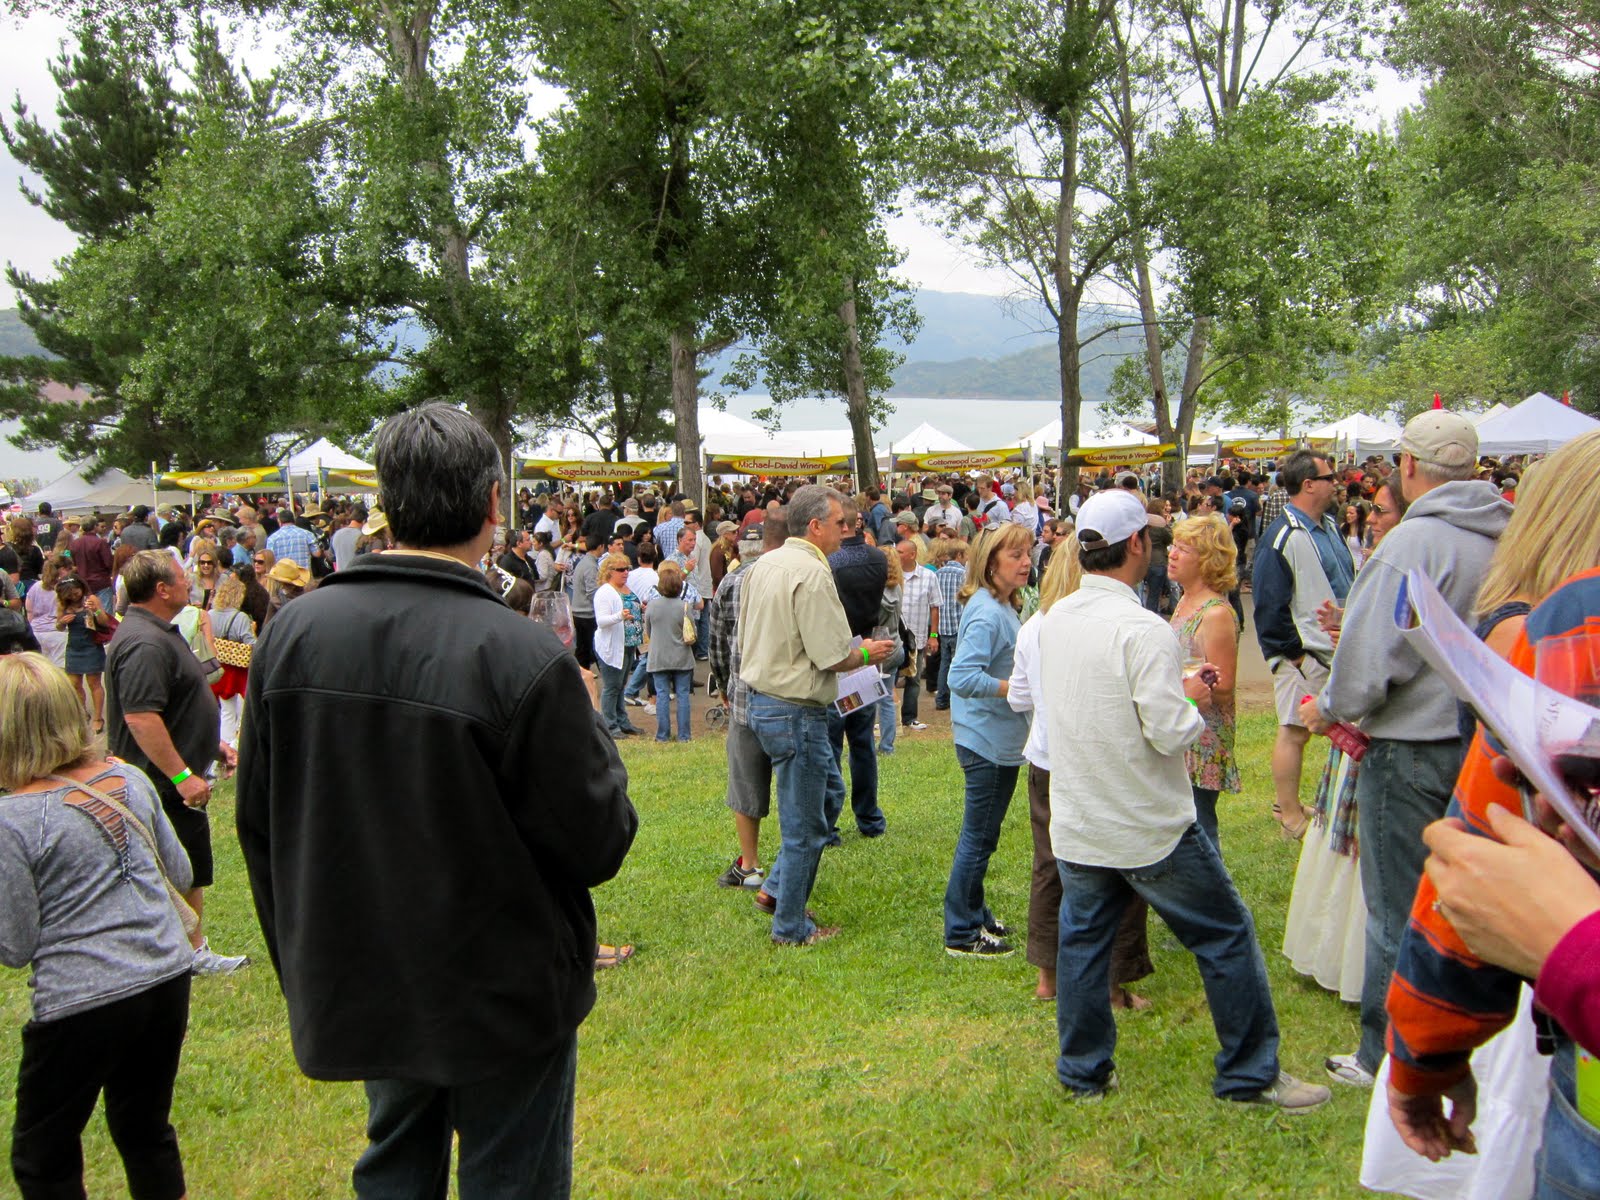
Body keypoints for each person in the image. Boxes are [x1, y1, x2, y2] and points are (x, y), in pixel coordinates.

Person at [236, 402, 638, 1200]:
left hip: (367, 968)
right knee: (508, 1177)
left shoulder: (296, 634)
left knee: (396, 1160)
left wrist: (309, 961)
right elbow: (598, 837)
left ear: (387, 503)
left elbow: (260, 826)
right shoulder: (515, 650)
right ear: (495, 503)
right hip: (497, 986)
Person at [1041, 488, 1330, 1110]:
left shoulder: (1054, 621)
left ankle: (1083, 1072)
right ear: (1137, 545)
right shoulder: (1143, 629)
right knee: (1225, 935)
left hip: (1082, 819)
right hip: (1147, 823)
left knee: (1084, 946)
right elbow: (1169, 729)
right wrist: (1192, 698)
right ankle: (1250, 1074)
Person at [1304, 410, 1511, 1091]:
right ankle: (1465, 1036)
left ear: (1409, 466)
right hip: (1487, 742)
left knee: (1400, 905)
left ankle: (1387, 1053)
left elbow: (1368, 660)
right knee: (1471, 898)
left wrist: (1328, 708)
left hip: (1412, 743)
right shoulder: (1507, 533)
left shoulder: (1413, 543)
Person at [0, 652, 195, 1200]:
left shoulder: (13, 819)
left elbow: (15, 944)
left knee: (44, 1154)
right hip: (164, 975)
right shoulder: (127, 776)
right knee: (145, 1129)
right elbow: (179, 871)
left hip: (82, 999)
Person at [740, 485, 896, 947]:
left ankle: (776, 891)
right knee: (806, 824)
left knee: (826, 798)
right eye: (839, 523)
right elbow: (831, 655)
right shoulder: (811, 571)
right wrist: (867, 651)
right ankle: (791, 927)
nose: (845, 531)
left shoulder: (764, 564)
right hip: (795, 709)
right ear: (815, 526)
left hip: (763, 702)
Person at [1010, 534, 1156, 1003]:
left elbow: (1019, 696)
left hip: (1048, 758)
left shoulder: (1035, 625)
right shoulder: (1105, 623)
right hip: (1096, 759)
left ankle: (1049, 976)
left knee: (1051, 866)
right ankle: (1113, 981)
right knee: (1117, 866)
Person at [104, 550, 248, 977]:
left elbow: (174, 704)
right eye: (179, 577)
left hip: (171, 776)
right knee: (179, 867)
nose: (189, 581)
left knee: (186, 866)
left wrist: (213, 744)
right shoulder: (145, 642)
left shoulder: (154, 631)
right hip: (160, 784)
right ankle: (190, 953)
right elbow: (141, 717)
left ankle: (187, 950)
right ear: (161, 590)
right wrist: (183, 775)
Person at [1252, 448, 1353, 840]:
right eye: (1330, 478)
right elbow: (1269, 602)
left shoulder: (1328, 526)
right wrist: (1293, 655)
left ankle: (1296, 804)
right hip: (1304, 654)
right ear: (1308, 484)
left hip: (1331, 648)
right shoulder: (1282, 535)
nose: (1336, 483)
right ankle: (1288, 812)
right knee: (1294, 730)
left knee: (1326, 730)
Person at [942, 523, 1033, 957]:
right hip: (986, 740)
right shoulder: (987, 611)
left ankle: (974, 911)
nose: (1026, 562)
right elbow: (960, 676)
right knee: (978, 837)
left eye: (1028, 553)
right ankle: (961, 931)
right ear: (990, 562)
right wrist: (1014, 687)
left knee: (984, 835)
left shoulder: (998, 605)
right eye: (1015, 555)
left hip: (995, 737)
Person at [707, 513, 787, 890]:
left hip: (743, 696)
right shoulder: (790, 575)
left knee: (744, 782)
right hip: (787, 696)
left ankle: (750, 863)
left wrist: (724, 686)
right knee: (792, 781)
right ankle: (791, 857)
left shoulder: (731, 582)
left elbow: (718, 643)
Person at [1167, 514, 1241, 851]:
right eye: (1173, 546)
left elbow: (1224, 689)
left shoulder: (1215, 613)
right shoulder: (1184, 600)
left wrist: (1186, 682)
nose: (1172, 554)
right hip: (1184, 723)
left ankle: (1215, 898)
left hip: (1203, 737)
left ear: (1207, 560)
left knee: (1200, 829)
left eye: (1183, 549)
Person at [824, 497, 888, 841]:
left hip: (839, 653)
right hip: (867, 647)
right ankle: (869, 818)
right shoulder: (878, 558)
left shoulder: (829, 562)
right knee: (862, 743)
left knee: (831, 744)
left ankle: (829, 823)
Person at [592, 553, 644, 738]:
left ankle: (623, 721)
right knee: (612, 686)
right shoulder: (605, 592)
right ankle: (610, 725)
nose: (625, 573)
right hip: (612, 646)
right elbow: (601, 621)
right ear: (609, 571)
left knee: (621, 685)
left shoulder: (625, 588)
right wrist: (620, 616)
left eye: (627, 569)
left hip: (629, 644)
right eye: (620, 570)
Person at [893, 535, 939, 734]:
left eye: (900, 552)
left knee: (913, 679)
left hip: (917, 637)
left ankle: (909, 718)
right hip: (893, 638)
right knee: (888, 678)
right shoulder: (892, 576)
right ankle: (888, 718)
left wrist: (933, 635)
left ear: (912, 555)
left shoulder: (929, 577)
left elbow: (935, 607)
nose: (897, 555)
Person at [54, 576, 112, 734]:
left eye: (76, 592)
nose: (75, 596)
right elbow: (58, 627)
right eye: (70, 595)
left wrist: (96, 610)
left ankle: (98, 718)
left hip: (91, 645)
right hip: (74, 647)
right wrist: (62, 622)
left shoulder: (91, 599)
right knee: (74, 684)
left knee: (94, 683)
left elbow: (104, 622)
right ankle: (82, 712)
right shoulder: (62, 604)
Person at [645, 562, 694, 741]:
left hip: (659, 656)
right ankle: (684, 736)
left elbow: (648, 630)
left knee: (662, 695)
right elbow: (692, 632)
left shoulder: (652, 606)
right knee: (683, 696)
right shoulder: (685, 606)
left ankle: (662, 735)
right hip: (682, 656)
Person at [207, 571, 255, 751]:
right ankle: (237, 745)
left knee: (225, 709)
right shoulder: (240, 617)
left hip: (218, 666)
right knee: (242, 710)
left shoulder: (210, 614)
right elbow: (251, 643)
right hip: (238, 668)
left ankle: (225, 744)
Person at [933, 539, 968, 709]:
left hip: (943, 626)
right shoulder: (963, 574)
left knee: (944, 664)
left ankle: (941, 698)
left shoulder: (939, 573)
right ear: (959, 555)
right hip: (958, 624)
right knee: (957, 665)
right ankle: (955, 700)